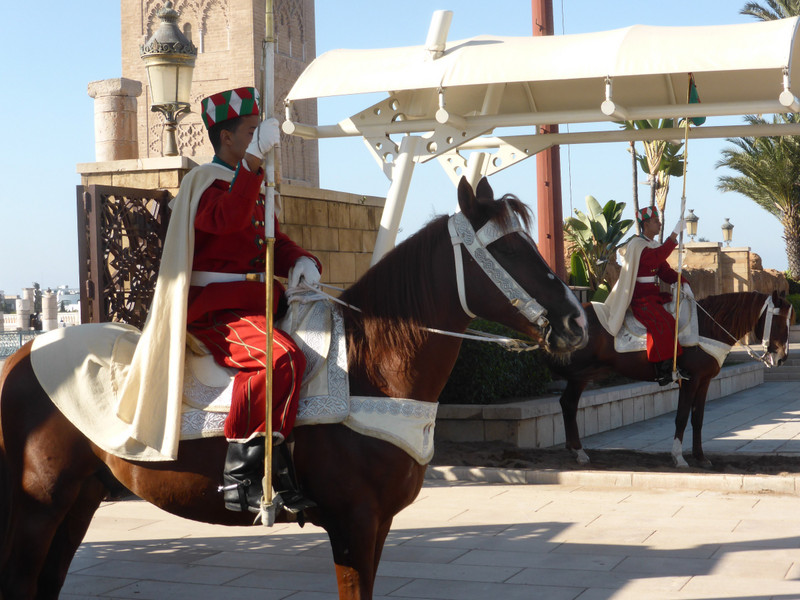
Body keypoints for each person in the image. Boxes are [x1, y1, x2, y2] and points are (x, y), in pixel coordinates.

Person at [184, 86, 321, 514]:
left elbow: (272, 242)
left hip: (259, 301)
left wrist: (301, 260)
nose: (258, 138)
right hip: (217, 309)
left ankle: (280, 471)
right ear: (227, 137)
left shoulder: (252, 185)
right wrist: (254, 164)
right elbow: (226, 222)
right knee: (279, 358)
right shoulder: (204, 184)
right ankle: (239, 474)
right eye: (249, 131)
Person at [597, 207, 691, 385]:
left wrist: (682, 282)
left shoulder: (652, 245)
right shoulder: (637, 245)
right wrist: (673, 236)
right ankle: (664, 370)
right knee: (663, 322)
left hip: (653, 297)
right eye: (656, 221)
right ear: (646, 224)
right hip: (641, 299)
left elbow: (664, 271)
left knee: (674, 318)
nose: (659, 223)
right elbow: (654, 259)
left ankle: (675, 363)